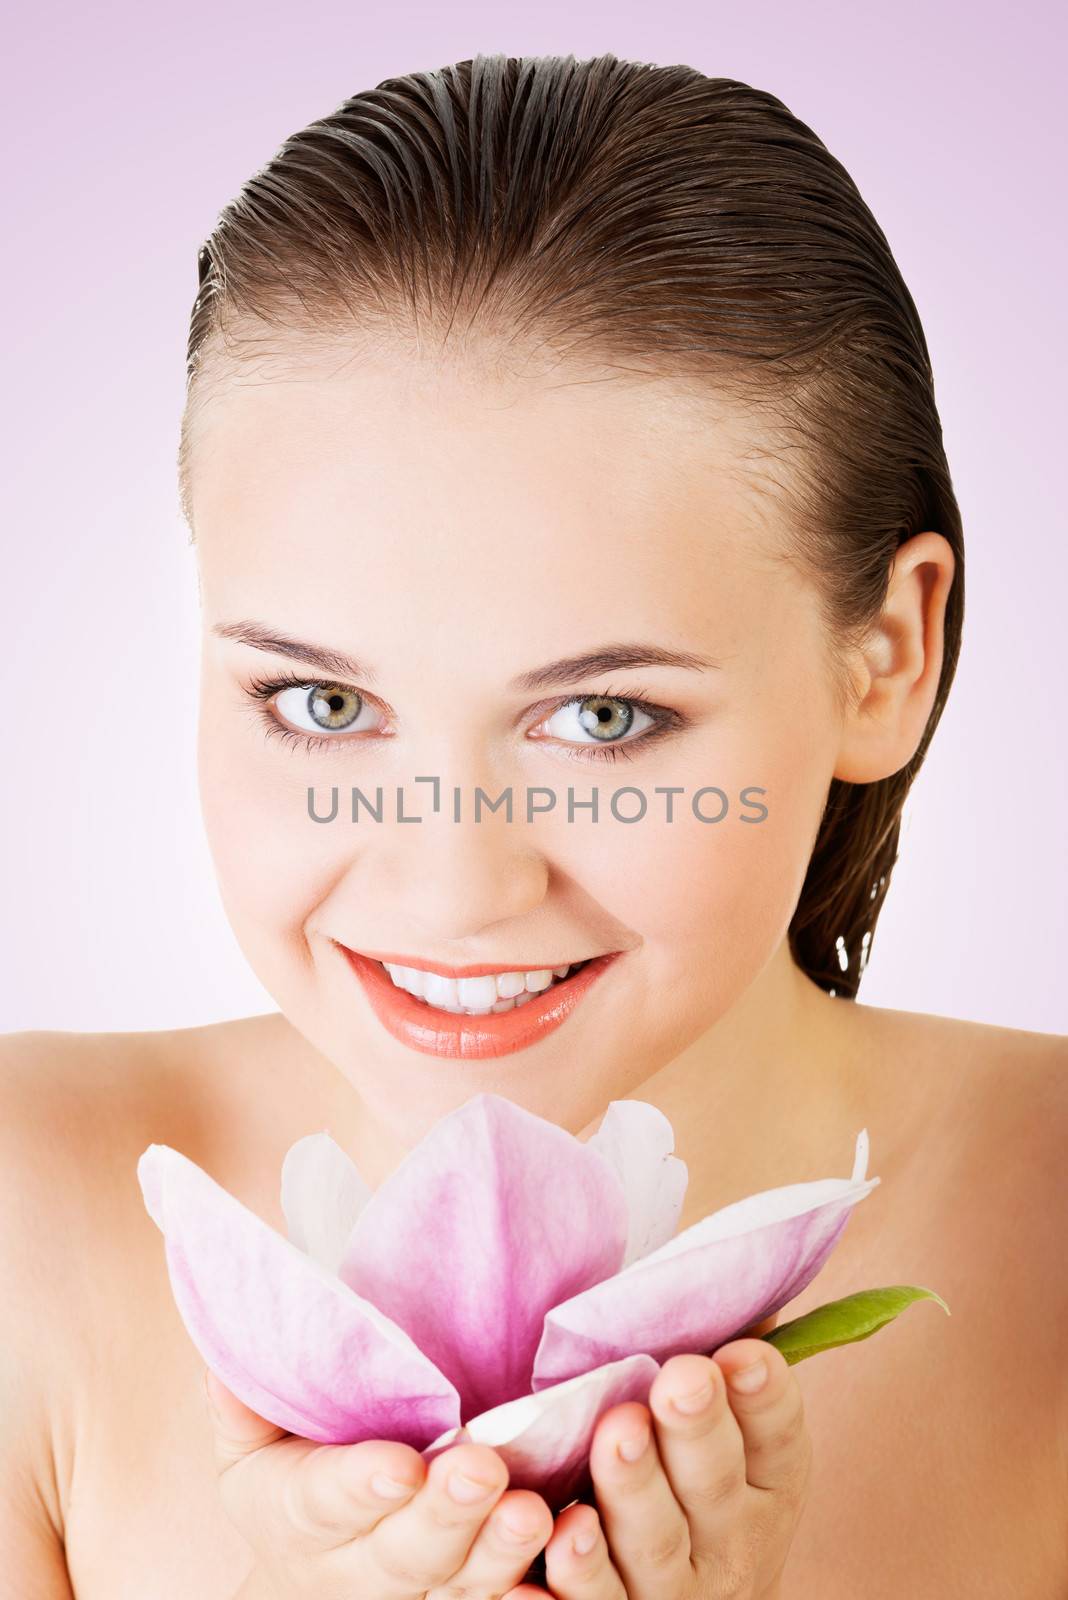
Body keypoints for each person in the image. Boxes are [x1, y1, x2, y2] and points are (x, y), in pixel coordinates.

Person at [2, 50, 1065, 1600]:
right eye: (319, 704)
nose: (454, 884)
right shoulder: (21, 1229)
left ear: (883, 659)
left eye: (605, 718)